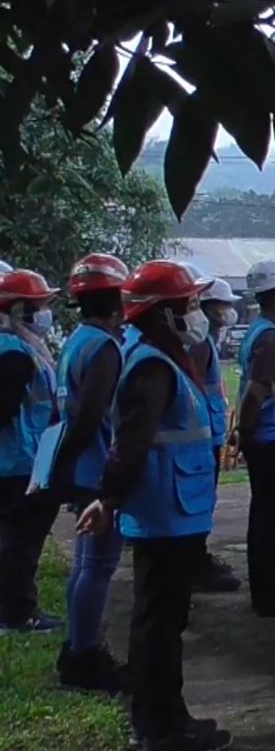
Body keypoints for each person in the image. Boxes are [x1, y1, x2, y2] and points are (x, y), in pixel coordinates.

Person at [76, 261, 233, 751]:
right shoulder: (152, 365)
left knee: (165, 619)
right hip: (164, 510)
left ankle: (169, 717)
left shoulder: (160, 357)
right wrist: (110, 497)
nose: (198, 313)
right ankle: (160, 728)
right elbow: (132, 441)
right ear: (164, 315)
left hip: (174, 508)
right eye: (188, 305)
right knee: (159, 623)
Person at [44, 255, 129, 690]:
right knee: (97, 565)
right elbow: (92, 414)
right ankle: (84, 654)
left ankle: (79, 644)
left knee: (85, 564)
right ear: (118, 298)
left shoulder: (76, 340)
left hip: (80, 466)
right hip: (95, 469)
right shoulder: (105, 348)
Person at [235, 259, 275, 619]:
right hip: (271, 438)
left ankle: (267, 588)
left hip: (264, 437)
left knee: (266, 514)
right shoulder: (273, 336)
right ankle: (269, 592)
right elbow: (258, 391)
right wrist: (245, 433)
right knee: (270, 519)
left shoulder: (261, 328)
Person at [0, 269, 61, 634]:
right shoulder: (15, 353)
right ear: (19, 310)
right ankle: (18, 612)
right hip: (19, 461)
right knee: (20, 541)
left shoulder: (17, 347)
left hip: (19, 458)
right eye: (38, 306)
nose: (44, 313)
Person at [185, 273, 244, 594]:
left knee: (204, 501)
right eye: (223, 306)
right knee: (198, 502)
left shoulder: (206, 342)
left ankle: (196, 557)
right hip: (201, 435)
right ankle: (194, 562)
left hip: (208, 432)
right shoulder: (199, 344)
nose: (228, 312)